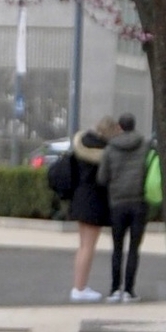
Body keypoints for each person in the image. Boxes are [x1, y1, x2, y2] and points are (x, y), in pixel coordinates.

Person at [100, 114, 153, 302]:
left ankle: (115, 290)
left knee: (117, 248)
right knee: (133, 248)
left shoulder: (110, 148)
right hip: (139, 203)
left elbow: (102, 177)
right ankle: (130, 290)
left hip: (117, 204)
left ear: (119, 127)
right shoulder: (145, 145)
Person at [56, 128, 112, 303]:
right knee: (88, 247)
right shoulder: (101, 157)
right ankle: (79, 288)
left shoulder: (79, 151)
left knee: (83, 246)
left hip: (79, 200)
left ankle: (79, 285)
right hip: (93, 203)